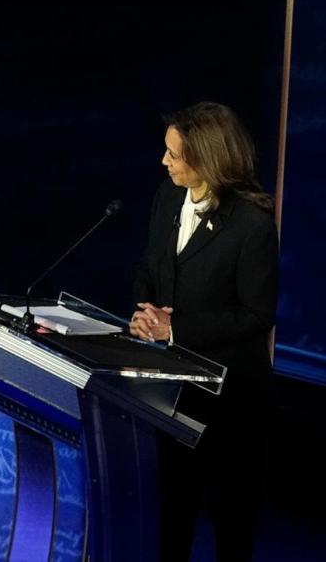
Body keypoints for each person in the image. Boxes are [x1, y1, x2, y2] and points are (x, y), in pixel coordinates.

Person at [129, 101, 278, 561]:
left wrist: (175, 328)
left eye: (174, 155)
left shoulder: (251, 226)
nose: (165, 161)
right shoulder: (167, 198)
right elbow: (151, 267)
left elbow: (257, 314)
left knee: (231, 521)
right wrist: (144, 312)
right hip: (172, 390)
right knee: (174, 508)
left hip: (231, 401)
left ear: (207, 157)